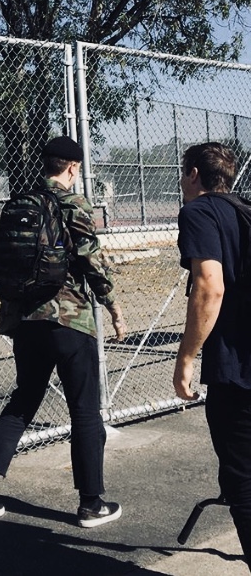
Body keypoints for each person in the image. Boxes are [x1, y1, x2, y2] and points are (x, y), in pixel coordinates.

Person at [0, 135, 127, 526]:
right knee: (85, 410)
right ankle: (91, 503)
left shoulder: (20, 202)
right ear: (72, 167)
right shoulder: (73, 203)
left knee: (24, 400)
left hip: (26, 321)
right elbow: (92, 261)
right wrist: (115, 306)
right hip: (70, 321)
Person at [174, 142, 250, 570]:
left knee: (241, 481)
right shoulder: (245, 210)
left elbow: (210, 286)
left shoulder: (199, 212)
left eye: (183, 173)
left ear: (195, 175)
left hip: (237, 370)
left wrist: (186, 358)